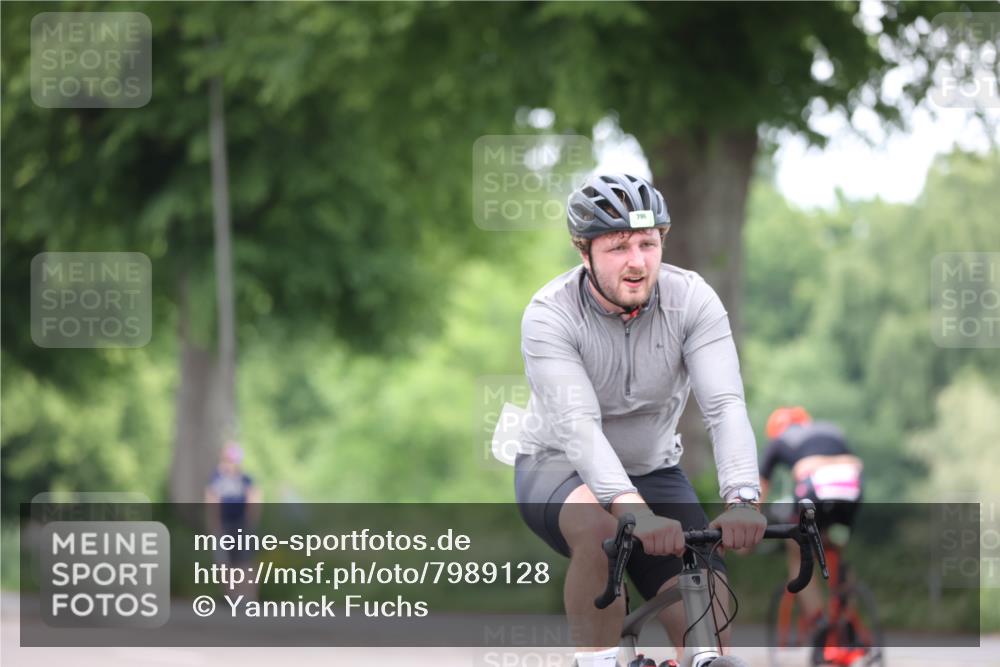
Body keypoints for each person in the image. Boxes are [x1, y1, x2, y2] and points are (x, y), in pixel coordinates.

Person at [514, 173, 766, 667]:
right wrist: (635, 510)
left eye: (648, 244)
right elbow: (579, 427)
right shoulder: (549, 315)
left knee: (707, 608)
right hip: (559, 466)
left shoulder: (692, 300)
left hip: (652, 467)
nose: (637, 262)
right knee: (599, 531)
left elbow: (725, 406)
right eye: (618, 246)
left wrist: (742, 499)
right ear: (583, 251)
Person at [759, 407, 863, 623]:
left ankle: (820, 626)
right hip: (851, 487)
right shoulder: (830, 430)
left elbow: (760, 490)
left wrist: (748, 523)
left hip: (816, 488)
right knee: (835, 548)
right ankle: (846, 618)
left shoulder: (779, 441)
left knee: (798, 551)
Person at [205, 441, 262, 601]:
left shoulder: (245, 478)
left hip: (241, 523)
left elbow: (254, 498)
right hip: (223, 524)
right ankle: (231, 596)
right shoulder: (217, 479)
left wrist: (251, 520)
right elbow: (211, 500)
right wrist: (213, 523)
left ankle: (249, 596)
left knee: (244, 561)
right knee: (224, 562)